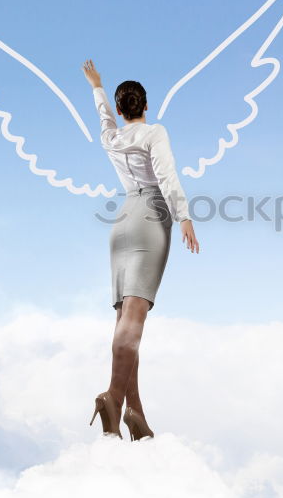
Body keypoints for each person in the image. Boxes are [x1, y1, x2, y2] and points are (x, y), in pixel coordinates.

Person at [81, 59, 199, 440]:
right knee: (134, 320)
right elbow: (166, 174)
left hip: (122, 221)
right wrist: (183, 216)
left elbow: (103, 120)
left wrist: (97, 85)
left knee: (124, 321)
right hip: (151, 216)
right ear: (145, 106)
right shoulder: (154, 133)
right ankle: (113, 397)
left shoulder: (112, 139)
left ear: (120, 109)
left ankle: (136, 412)